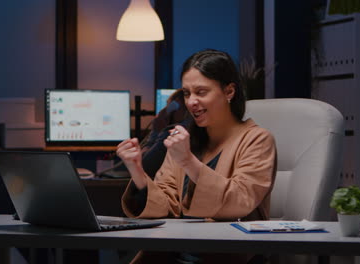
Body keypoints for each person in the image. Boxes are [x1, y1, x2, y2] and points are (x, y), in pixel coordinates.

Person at [116, 49, 277, 264]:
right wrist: (136, 169)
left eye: (201, 92)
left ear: (229, 91)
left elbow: (240, 201)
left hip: (226, 256)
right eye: (186, 93)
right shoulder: (185, 140)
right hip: (174, 253)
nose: (191, 102)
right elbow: (166, 205)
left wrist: (188, 162)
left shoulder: (257, 139)